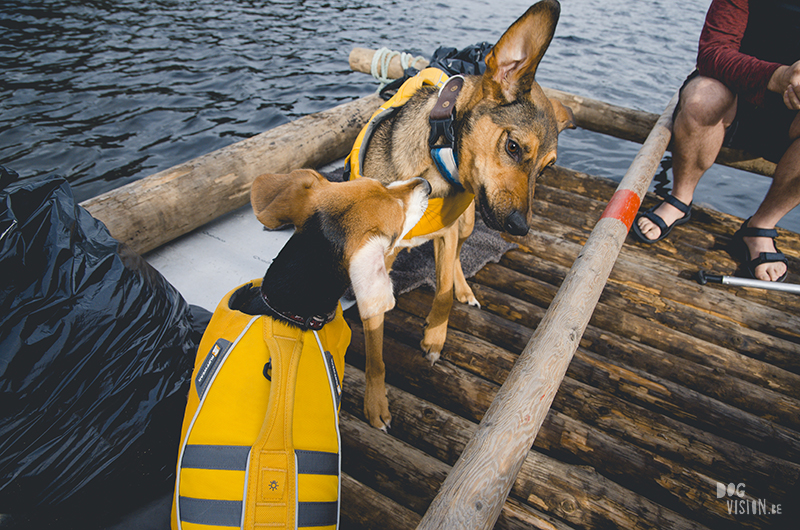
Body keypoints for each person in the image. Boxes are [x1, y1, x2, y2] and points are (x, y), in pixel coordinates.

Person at [632, 0, 800, 282]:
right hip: (734, 91)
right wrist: (778, 76)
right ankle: (680, 197)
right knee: (702, 99)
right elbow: (712, 53)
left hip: (792, 117)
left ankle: (761, 226)